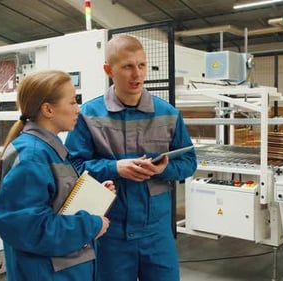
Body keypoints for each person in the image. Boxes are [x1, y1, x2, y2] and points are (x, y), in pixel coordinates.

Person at [65, 34, 197, 281]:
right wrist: (115, 168)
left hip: (157, 234)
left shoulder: (168, 114)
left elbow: (189, 162)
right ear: (108, 70)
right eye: (127, 66)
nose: (137, 74)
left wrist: (162, 170)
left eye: (141, 65)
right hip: (109, 232)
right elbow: (73, 166)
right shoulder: (88, 116)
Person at [0, 70, 113, 281]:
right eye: (72, 102)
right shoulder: (34, 156)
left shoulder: (50, 151)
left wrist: (94, 196)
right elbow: (30, 229)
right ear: (48, 109)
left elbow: (55, 204)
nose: (78, 109)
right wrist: (91, 225)